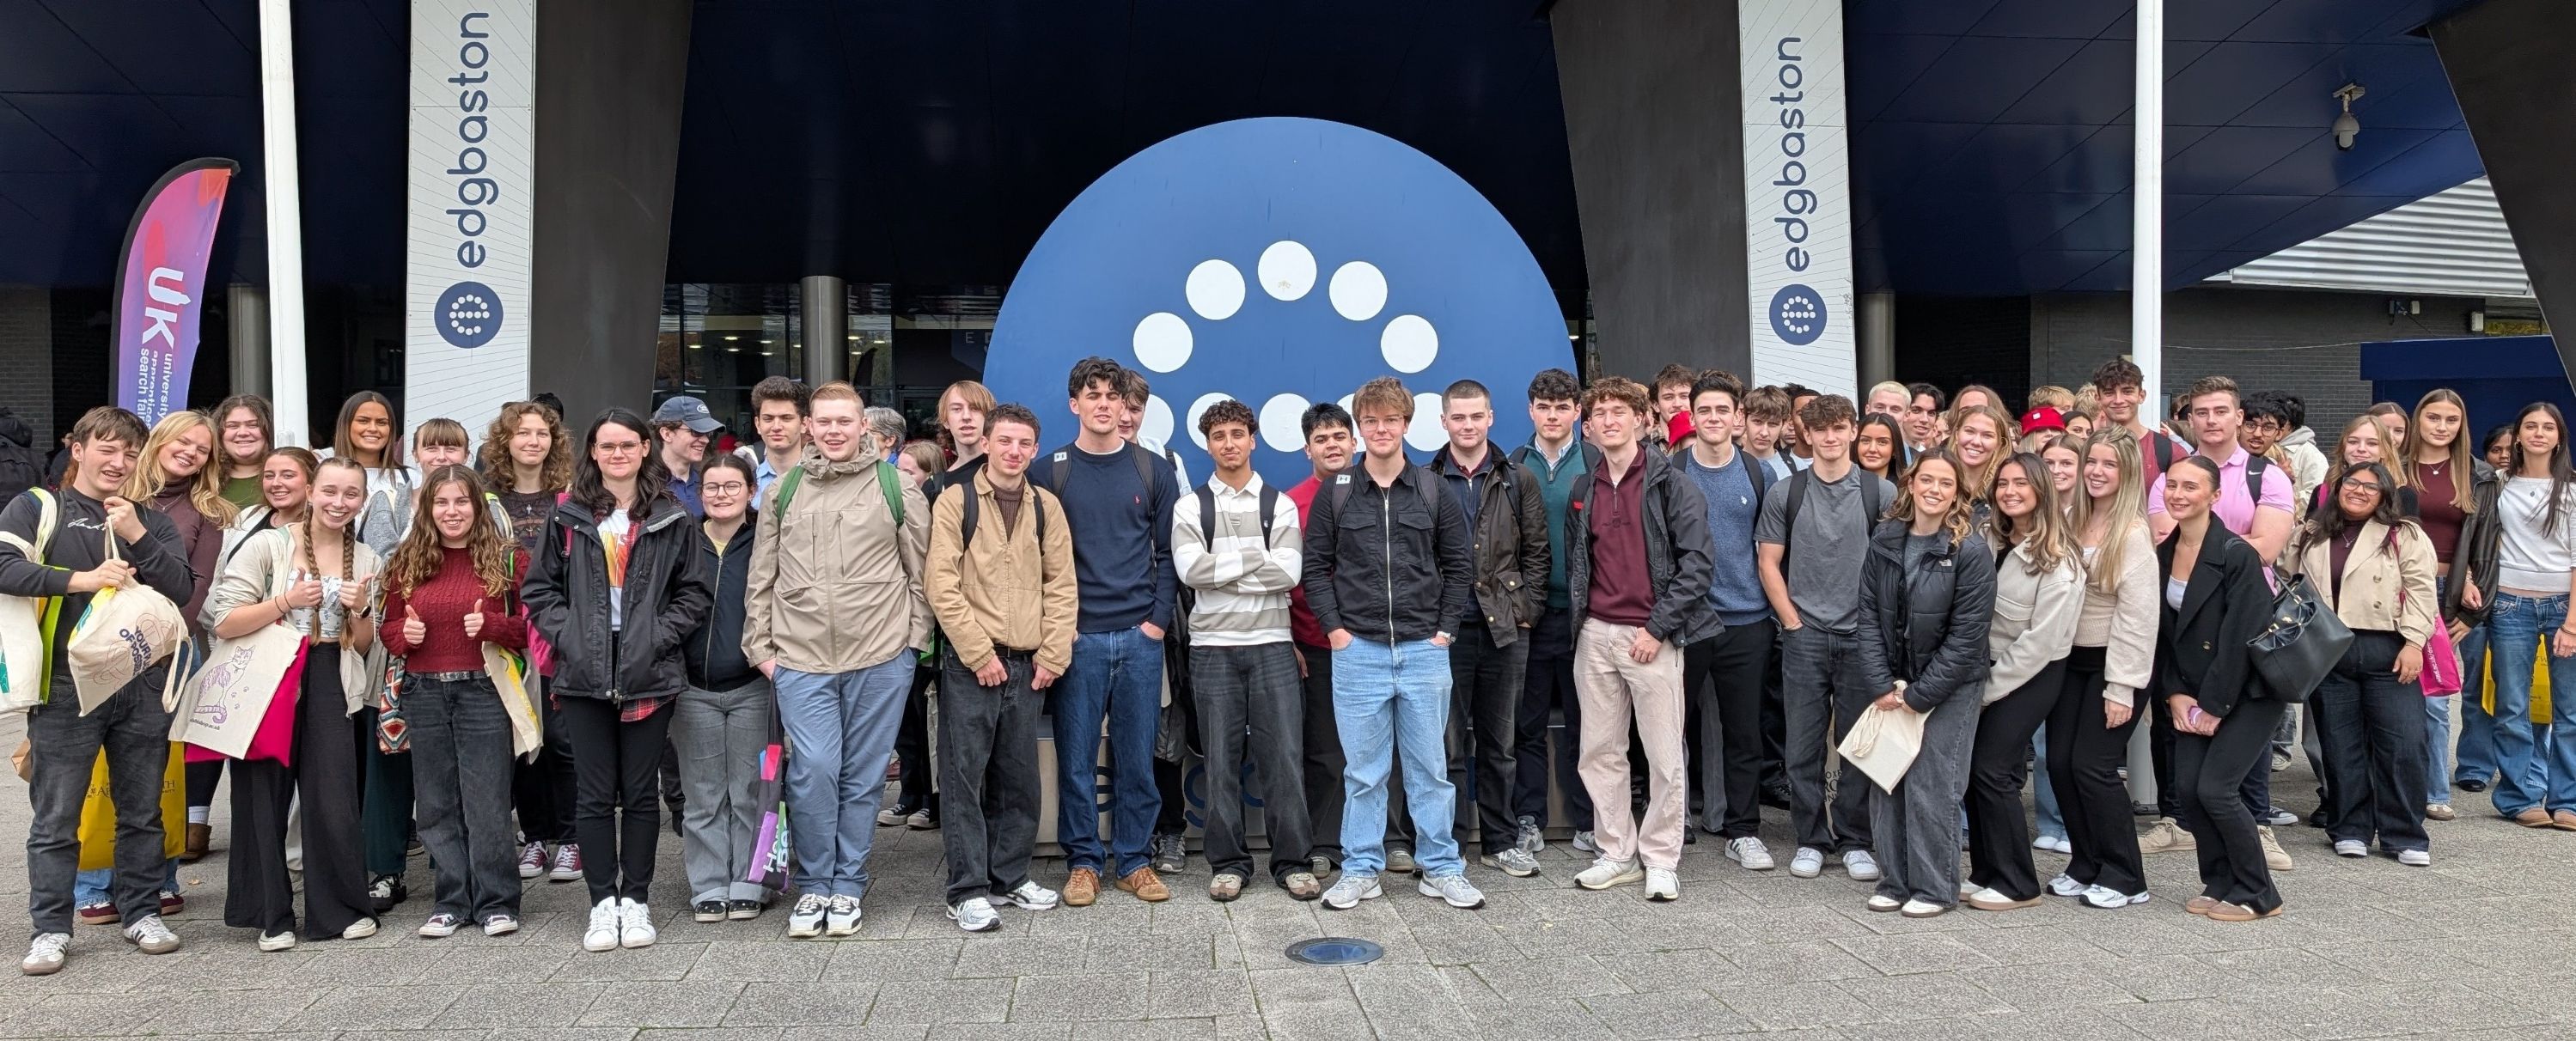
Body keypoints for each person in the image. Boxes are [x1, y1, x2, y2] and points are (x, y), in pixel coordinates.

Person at [4, 407, 197, 975]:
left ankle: (141, 912)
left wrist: (138, 534)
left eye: (131, 453)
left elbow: (182, 588)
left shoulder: (150, 520)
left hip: (142, 681)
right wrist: (79, 581)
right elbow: (3, 565)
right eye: (106, 448)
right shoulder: (41, 508)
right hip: (65, 686)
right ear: (78, 448)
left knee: (141, 812)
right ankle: (50, 930)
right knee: (56, 816)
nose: (119, 461)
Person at [742, 381, 929, 937]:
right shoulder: (784, 490)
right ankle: (813, 883)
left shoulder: (896, 487)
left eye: (844, 421)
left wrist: (910, 646)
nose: (833, 431)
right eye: (823, 422)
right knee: (816, 770)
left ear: (862, 427)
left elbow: (921, 576)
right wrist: (762, 649)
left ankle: (847, 885)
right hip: (800, 659)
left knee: (864, 776)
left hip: (880, 655)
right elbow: (762, 576)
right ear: (809, 428)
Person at [524, 407, 712, 953]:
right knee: (593, 795)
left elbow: (693, 592)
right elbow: (540, 591)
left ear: (645, 448)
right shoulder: (569, 516)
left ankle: (637, 900)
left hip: (646, 670)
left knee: (639, 794)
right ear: (593, 452)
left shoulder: (670, 515)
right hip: (583, 673)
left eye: (627, 445)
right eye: (606, 446)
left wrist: (657, 634)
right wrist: (571, 637)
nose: (617, 455)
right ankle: (601, 903)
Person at [1306, 375, 1484, 911]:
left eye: (1391, 420)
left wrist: (1445, 630)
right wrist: (1336, 632)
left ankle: (1441, 866)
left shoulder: (1433, 489)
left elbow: (1459, 566)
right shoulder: (1336, 493)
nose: (1381, 430)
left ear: (1406, 425)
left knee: (1430, 766)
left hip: (1424, 651)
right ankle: (1361, 868)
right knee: (1363, 771)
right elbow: (1315, 568)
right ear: (1361, 429)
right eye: (1372, 421)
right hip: (1357, 652)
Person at [207, 454, 385, 952]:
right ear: (310, 492)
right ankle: (272, 915)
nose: (339, 502)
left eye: (351, 494)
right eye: (330, 491)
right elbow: (224, 620)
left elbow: (366, 643)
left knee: (334, 795)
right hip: (269, 672)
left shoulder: (367, 557)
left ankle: (340, 910)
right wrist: (287, 602)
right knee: (262, 793)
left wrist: (361, 609)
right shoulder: (268, 544)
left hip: (331, 672)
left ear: (362, 501)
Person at [1035, 358, 1181, 905]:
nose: (1102, 404)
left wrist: (1156, 623)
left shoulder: (1152, 470)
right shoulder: (1051, 472)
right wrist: (1060, 628)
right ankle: (1084, 862)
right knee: (1075, 756)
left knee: (1137, 754)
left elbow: (1168, 555)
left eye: (1111, 396)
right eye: (1091, 395)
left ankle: (1135, 861)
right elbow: (1036, 561)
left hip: (1140, 638)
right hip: (1078, 640)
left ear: (1125, 406)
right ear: (1074, 404)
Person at [925, 402, 1075, 930]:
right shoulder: (955, 500)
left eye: (1024, 444)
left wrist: (1053, 655)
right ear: (986, 443)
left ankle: (1009, 876)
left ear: (1034, 450)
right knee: (963, 777)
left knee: (1019, 777)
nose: (1014, 452)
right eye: (1004, 441)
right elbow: (940, 584)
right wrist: (977, 653)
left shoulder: (1045, 508)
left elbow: (1061, 585)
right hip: (972, 664)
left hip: (1029, 664)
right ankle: (966, 888)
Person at [1564, 376, 1715, 902]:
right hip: (1596, 634)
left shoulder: (1673, 485)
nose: (1609, 419)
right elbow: (1580, 562)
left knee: (1663, 754)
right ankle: (1616, 851)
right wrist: (1584, 625)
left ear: (1643, 420)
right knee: (1599, 751)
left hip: (1651, 636)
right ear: (1589, 426)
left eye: (1619, 411)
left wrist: (1657, 628)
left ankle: (1660, 858)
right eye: (1600, 412)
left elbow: (1698, 567)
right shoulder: (1585, 488)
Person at [2143, 376, 2297, 870]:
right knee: (2184, 758)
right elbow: (2166, 535)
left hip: (2247, 636)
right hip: (2187, 636)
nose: (2211, 420)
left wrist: (2220, 547)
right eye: (2201, 412)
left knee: (2237, 756)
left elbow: (2265, 549)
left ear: (2238, 417)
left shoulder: (2264, 475)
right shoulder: (2173, 471)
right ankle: (2182, 826)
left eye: (2220, 411)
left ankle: (2257, 829)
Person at [1172, 399, 1319, 900]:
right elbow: (1191, 572)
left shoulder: (1276, 504)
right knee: (1219, 760)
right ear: (1208, 445)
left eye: (1238, 433)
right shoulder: (1190, 506)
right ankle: (1229, 863)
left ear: (1253, 440)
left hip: (1273, 645)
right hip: (1212, 648)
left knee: (1283, 758)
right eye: (1219, 436)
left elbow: (1289, 573)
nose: (1230, 444)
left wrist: (1225, 567)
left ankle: (1293, 861)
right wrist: (1257, 559)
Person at [380, 464, 533, 936]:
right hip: (425, 691)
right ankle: (451, 900)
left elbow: (532, 628)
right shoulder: (406, 562)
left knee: (486, 800)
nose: (452, 511)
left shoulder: (508, 560)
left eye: (461, 501)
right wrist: (402, 635)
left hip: (483, 689)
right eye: (441, 502)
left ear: (478, 506)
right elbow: (387, 630)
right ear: (427, 509)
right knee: (435, 803)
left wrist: (493, 628)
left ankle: (497, 901)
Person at [1756, 392, 1895, 883]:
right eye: (1820, 431)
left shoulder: (1882, 494)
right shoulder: (1785, 493)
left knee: (1859, 743)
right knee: (1803, 743)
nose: (1831, 438)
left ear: (1853, 431)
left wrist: (1879, 629)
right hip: (1805, 636)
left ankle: (1856, 839)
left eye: (1839, 428)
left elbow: (1894, 571)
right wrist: (1792, 622)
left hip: (1863, 637)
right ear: (1806, 437)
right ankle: (1812, 838)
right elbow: (1768, 563)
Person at [1855, 451, 1995, 918]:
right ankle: (1894, 882)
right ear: (1911, 484)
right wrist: (1879, 684)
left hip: (1950, 686)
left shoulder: (1970, 551)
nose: (1935, 489)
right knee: (1887, 779)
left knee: (1933, 785)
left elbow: (1967, 636)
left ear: (1958, 493)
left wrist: (1918, 696)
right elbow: (1869, 616)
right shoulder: (1884, 540)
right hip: (1892, 683)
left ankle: (1935, 889)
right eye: (1927, 480)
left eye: (1946, 483)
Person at [2281, 460, 2436, 865]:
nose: (2360, 491)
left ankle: (2404, 833)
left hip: (2389, 646)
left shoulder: (2404, 534)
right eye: (2353, 482)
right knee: (2339, 744)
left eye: (2372, 486)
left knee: (2404, 742)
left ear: (2385, 495)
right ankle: (2349, 827)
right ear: (2338, 486)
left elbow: (2422, 592)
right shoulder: (2311, 533)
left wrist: (2415, 643)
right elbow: (2285, 579)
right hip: (2328, 647)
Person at [2157, 454, 2291, 921]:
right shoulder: (2163, 553)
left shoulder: (2237, 553)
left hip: (2249, 693)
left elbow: (2243, 636)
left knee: (2217, 790)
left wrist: (2214, 704)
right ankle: (2219, 881)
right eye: (2172, 485)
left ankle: (2259, 893)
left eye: (2190, 487)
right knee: (2190, 791)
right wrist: (2175, 693)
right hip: (2191, 691)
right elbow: (2164, 634)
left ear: (2214, 497)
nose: (2178, 494)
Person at [1424, 380, 1547, 880]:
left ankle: (1498, 842)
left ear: (1491, 418)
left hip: (1506, 629)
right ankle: (1449, 843)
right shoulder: (1425, 479)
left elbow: (1538, 553)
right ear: (1445, 422)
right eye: (1459, 418)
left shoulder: (1518, 478)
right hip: (1445, 631)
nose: (1468, 426)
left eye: (1477, 416)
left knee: (1500, 743)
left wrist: (1525, 611)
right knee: (1447, 745)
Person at [106, 410, 234, 877]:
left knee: (157, 769)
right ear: (159, 441)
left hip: (169, 649)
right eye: (183, 442)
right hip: (101, 643)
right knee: (99, 771)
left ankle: (159, 878)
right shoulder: (114, 495)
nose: (190, 453)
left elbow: (195, 588)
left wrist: (153, 643)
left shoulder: (209, 512)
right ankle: (96, 878)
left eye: (202, 449)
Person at [1961, 454, 2079, 911]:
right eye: (2003, 483)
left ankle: (2018, 882)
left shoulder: (2058, 557)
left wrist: (1988, 692)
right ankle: (1986, 871)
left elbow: (2040, 642)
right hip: (1985, 666)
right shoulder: (1988, 538)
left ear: (2042, 490)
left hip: (2031, 673)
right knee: (1974, 769)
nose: (2010, 491)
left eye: (2021, 484)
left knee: (1993, 770)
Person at [2049, 429, 2158, 908]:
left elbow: (2139, 618)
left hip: (2114, 665)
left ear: (2127, 472)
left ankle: (2126, 876)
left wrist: (2122, 687)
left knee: (2092, 767)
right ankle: (2085, 862)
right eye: (2092, 461)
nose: (2096, 471)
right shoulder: (2068, 518)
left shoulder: (2132, 534)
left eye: (2109, 464)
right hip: (2068, 661)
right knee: (2060, 764)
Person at [1677, 371, 1779, 868]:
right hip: (1688, 622)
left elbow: (1774, 552)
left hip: (1747, 621)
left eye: (1723, 411)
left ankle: (1743, 829)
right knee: (1672, 728)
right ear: (1691, 418)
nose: (1714, 419)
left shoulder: (1761, 475)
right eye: (1705, 411)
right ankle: (1672, 821)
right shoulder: (1670, 472)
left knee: (1744, 731)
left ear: (1737, 418)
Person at [665, 453, 772, 923]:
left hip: (752, 684)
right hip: (692, 688)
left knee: (749, 790)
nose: (721, 495)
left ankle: (750, 880)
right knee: (703, 792)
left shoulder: (767, 540)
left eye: (732, 486)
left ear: (751, 491)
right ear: (700, 492)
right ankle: (709, 883)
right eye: (712, 487)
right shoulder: (681, 540)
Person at [479, 401, 583, 882]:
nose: (533, 441)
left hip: (561, 630)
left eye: (542, 434)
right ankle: (536, 836)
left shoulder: (571, 496)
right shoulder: (485, 498)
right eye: (522, 433)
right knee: (522, 738)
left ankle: (573, 838)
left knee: (564, 740)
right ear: (506, 442)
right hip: (505, 633)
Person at [2469, 403, 2576, 831]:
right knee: (2511, 704)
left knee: (2569, 710)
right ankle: (2518, 796)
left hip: (2561, 605)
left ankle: (2566, 799)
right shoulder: (2497, 483)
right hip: (2510, 605)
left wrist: (2572, 622)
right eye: (2530, 426)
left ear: (2558, 436)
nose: (2538, 433)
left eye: (2547, 427)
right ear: (2516, 436)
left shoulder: (2570, 489)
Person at [1508, 370, 1598, 856]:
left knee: (1588, 724)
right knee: (1529, 723)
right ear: (1531, 411)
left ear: (1577, 412)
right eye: (1544, 406)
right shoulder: (1514, 463)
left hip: (1586, 615)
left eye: (1562, 407)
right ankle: (1529, 818)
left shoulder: (1596, 462)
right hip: (1531, 615)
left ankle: (1587, 820)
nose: (1553, 415)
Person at [1288, 400, 1365, 873]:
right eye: (1322, 439)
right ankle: (1324, 843)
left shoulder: (1378, 491)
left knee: (1376, 749)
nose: (1332, 445)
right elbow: (1281, 581)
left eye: (1340, 436)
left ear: (1353, 443)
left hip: (1373, 644)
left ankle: (1379, 841)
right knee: (1322, 750)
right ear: (1307, 448)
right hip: (1313, 643)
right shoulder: (1289, 503)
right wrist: (1291, 641)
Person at [882, 438, 949, 831]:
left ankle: (930, 799)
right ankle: (909, 795)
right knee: (906, 724)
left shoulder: (938, 510)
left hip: (932, 642)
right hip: (899, 634)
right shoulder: (892, 508)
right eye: (899, 470)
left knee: (931, 726)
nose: (902, 478)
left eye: (910, 472)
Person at [2445, 417, 2512, 801]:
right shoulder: (2479, 486)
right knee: (2474, 685)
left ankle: (2519, 766)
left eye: (2509, 450)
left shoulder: (2539, 489)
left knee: (2516, 691)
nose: (2503, 456)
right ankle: (2474, 765)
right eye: (2496, 450)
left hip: (2522, 599)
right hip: (2478, 597)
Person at [2091, 357, 2180, 499]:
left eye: (2127, 391)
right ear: (2098, 398)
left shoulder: (2169, 451)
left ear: (2141, 396)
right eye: (2109, 393)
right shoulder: (2086, 449)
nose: (2118, 400)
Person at [2317, 414, 2418, 517]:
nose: (2361, 448)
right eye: (2353, 442)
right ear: (2343, 447)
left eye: (2372, 443)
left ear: (2384, 451)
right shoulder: (2323, 491)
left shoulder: (2403, 496)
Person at [652, 395, 723, 518]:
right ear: (667, 434)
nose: (705, 440)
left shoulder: (708, 481)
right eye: (696, 432)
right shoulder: (645, 483)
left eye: (708, 433)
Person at [331, 390, 407, 501]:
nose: (373, 429)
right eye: (363, 421)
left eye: (381, 423)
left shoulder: (411, 478)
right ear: (346, 426)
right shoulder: (322, 474)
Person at [744, 376, 810, 501]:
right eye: (768, 419)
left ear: (804, 424)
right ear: (758, 424)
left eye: (786, 418)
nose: (776, 427)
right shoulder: (743, 480)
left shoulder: (822, 478)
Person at [1949, 405, 2012, 516]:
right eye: (1970, 431)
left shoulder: (2004, 488)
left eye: (1987, 436)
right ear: (1957, 434)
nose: (1976, 442)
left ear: (1999, 444)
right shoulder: (1937, 480)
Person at [212, 394, 273, 508]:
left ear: (269, 430)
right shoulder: (205, 479)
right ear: (219, 433)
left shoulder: (283, 479)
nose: (243, 433)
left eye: (253, 425)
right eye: (233, 426)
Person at [936, 380, 996, 486]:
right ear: (945, 421)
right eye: (957, 409)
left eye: (975, 408)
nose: (966, 416)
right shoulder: (936, 486)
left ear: (989, 417)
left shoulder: (1016, 472)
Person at [1742, 386, 1795, 482]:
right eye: (1758, 422)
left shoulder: (1796, 467)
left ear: (1784, 424)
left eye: (1773, 424)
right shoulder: (1727, 467)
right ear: (1744, 419)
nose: (1764, 433)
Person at [1651, 363, 1697, 451]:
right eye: (1668, 397)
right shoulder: (1642, 448)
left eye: (1684, 396)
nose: (1677, 404)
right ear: (1656, 405)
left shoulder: (1706, 441)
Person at [1853, 413, 1903, 484]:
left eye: (1882, 442)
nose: (1872, 449)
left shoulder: (1907, 489)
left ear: (1894, 450)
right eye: (1865, 440)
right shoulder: (1841, 487)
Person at [1903, 383, 1948, 458]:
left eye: (1931, 413)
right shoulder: (1886, 453)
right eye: (1916, 410)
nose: (1924, 419)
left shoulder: (1930, 459)